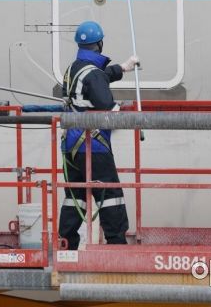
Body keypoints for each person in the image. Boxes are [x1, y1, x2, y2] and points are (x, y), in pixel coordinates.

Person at [59, 20, 139, 250]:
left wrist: (123, 68)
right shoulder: (93, 74)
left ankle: (67, 241)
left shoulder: (74, 69)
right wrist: (119, 110)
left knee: (76, 195)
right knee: (110, 194)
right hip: (93, 146)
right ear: (100, 44)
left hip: (71, 147)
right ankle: (117, 244)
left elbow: (98, 77)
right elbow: (106, 105)